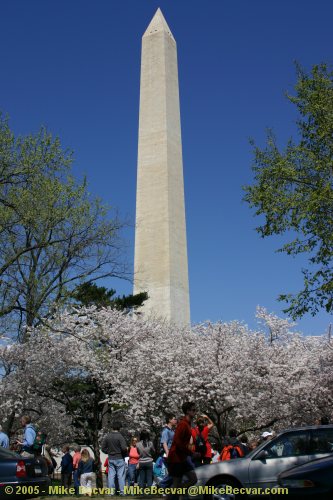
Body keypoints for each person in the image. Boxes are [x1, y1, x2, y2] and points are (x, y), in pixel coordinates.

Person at [167, 402, 200, 499]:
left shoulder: (188, 424)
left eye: (195, 410)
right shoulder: (183, 424)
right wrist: (191, 453)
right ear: (187, 411)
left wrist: (191, 452)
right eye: (193, 410)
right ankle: (175, 493)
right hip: (175, 458)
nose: (195, 412)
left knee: (193, 479)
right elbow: (177, 441)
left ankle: (177, 492)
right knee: (176, 483)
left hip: (182, 458)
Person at [101, 420, 127, 495]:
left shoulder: (107, 436)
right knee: (121, 476)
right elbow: (124, 448)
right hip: (119, 457)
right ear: (119, 428)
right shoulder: (120, 436)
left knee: (111, 476)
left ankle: (111, 492)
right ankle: (122, 492)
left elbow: (103, 448)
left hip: (111, 458)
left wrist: (108, 452)